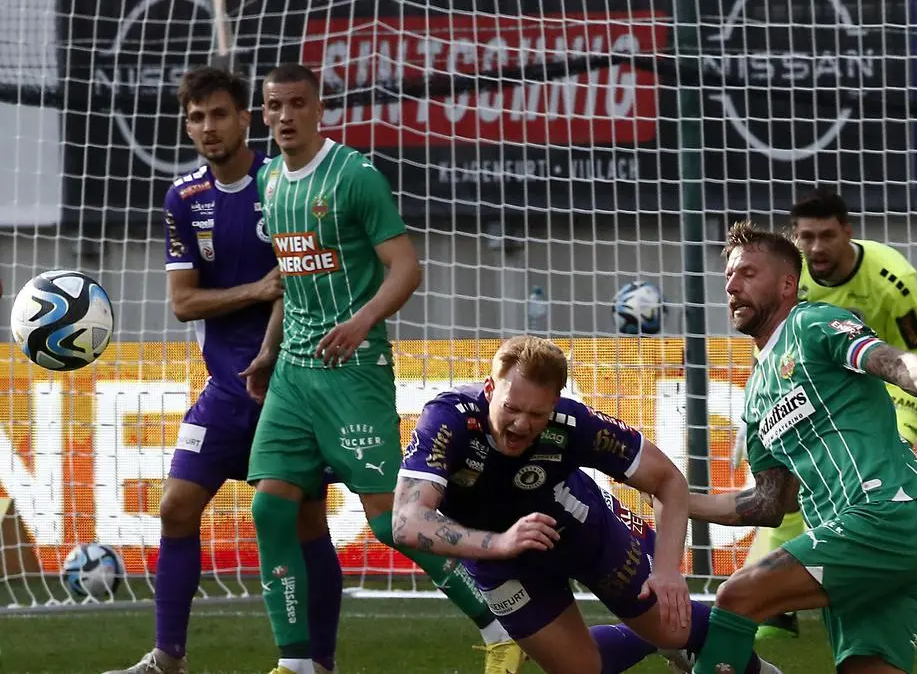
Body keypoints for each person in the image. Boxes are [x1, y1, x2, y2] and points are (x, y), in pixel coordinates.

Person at [236, 64, 523, 674]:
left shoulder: (354, 176)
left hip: (353, 371)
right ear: (263, 114)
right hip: (292, 375)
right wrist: (268, 350)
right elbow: (291, 277)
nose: (284, 116)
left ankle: (501, 627)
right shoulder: (269, 179)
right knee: (270, 508)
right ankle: (296, 663)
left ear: (320, 109)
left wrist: (361, 321)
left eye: (296, 104)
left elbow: (406, 268)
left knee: (394, 522)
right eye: (274, 106)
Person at [687, 221, 917, 674]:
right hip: (856, 542)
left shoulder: (813, 323)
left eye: (747, 273)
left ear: (787, 284)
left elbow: (891, 360)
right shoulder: (756, 394)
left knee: (736, 596)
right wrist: (680, 499)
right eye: (729, 275)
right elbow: (768, 503)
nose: (731, 286)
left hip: (880, 520)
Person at [101, 66, 344, 674]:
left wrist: (271, 332)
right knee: (175, 507)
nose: (207, 127)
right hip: (225, 392)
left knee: (306, 524)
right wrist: (255, 289)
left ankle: (320, 662)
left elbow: (298, 283)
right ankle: (168, 657)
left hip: (290, 388)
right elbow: (184, 303)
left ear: (245, 119)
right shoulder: (184, 199)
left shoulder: (281, 184)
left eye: (218, 114)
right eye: (196, 118)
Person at [392, 336, 782, 674]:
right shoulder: (448, 420)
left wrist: (667, 570)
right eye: (511, 408)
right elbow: (406, 523)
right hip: (500, 559)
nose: (522, 424)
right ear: (490, 388)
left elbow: (668, 480)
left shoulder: (573, 422)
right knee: (579, 669)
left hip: (584, 531)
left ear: (555, 402)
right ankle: (658, 640)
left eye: (537, 414)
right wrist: (501, 543)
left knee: (671, 626)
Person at [731, 186, 917, 641]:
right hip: (821, 386)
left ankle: (880, 574)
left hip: (892, 381)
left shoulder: (890, 275)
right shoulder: (792, 277)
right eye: (806, 237)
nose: (816, 247)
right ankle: (786, 601)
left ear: (847, 232)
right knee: (801, 478)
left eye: (826, 236)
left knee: (873, 466)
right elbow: (773, 343)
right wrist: (757, 413)